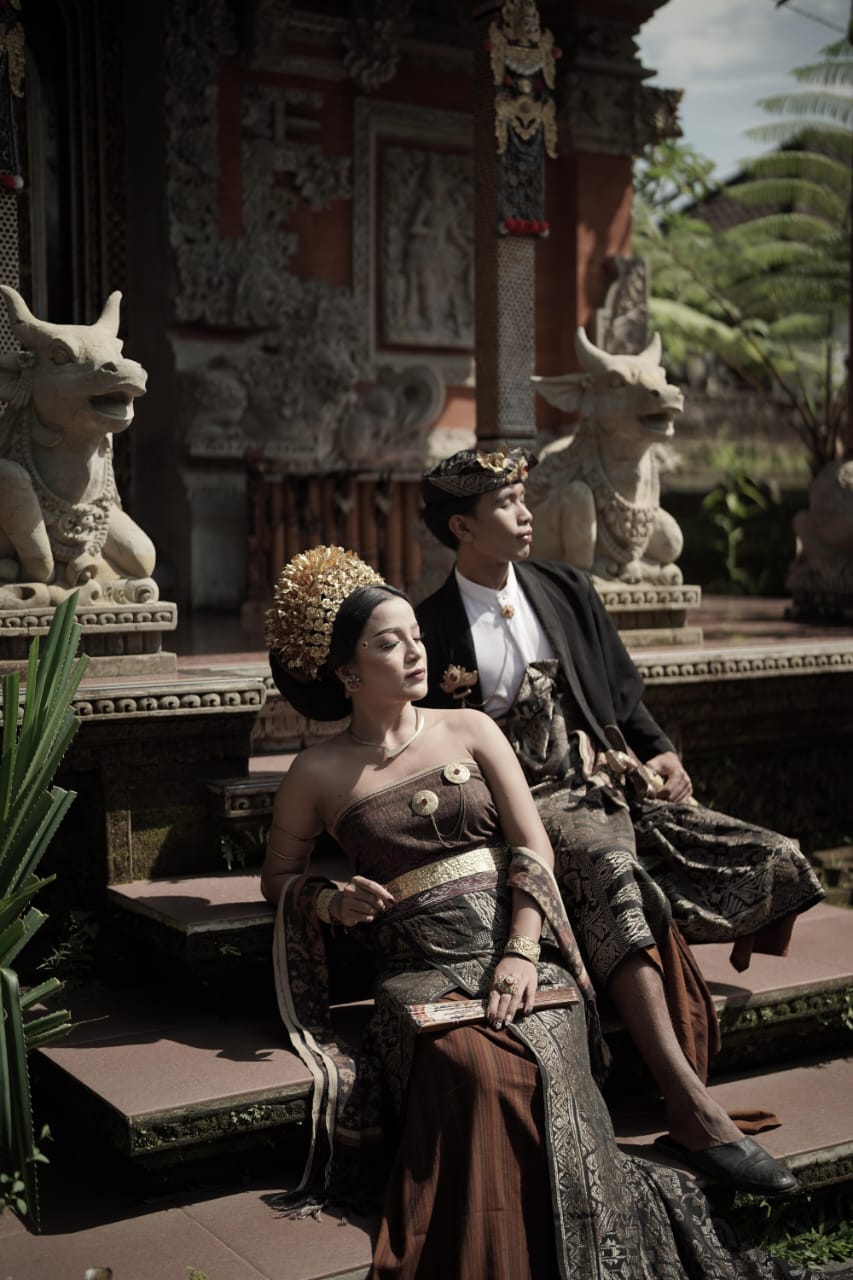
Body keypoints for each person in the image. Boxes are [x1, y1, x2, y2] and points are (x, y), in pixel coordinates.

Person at [261, 544, 818, 1280]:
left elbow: (533, 848)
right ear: (346, 672)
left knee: (545, 1057)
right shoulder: (316, 772)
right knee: (471, 1070)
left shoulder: (469, 729)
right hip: (416, 971)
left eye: (416, 637)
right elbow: (278, 879)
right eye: (388, 643)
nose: (415, 652)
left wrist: (523, 953)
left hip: (515, 948)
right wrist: (329, 901)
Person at [415, 447, 825, 1193]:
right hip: (527, 805)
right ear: (461, 527)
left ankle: (703, 925)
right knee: (610, 869)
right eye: (507, 504)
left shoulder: (567, 589)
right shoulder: (430, 625)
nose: (526, 514)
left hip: (607, 778)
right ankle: (688, 1105)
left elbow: (622, 692)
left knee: (776, 852)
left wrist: (659, 749)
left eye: (523, 498)